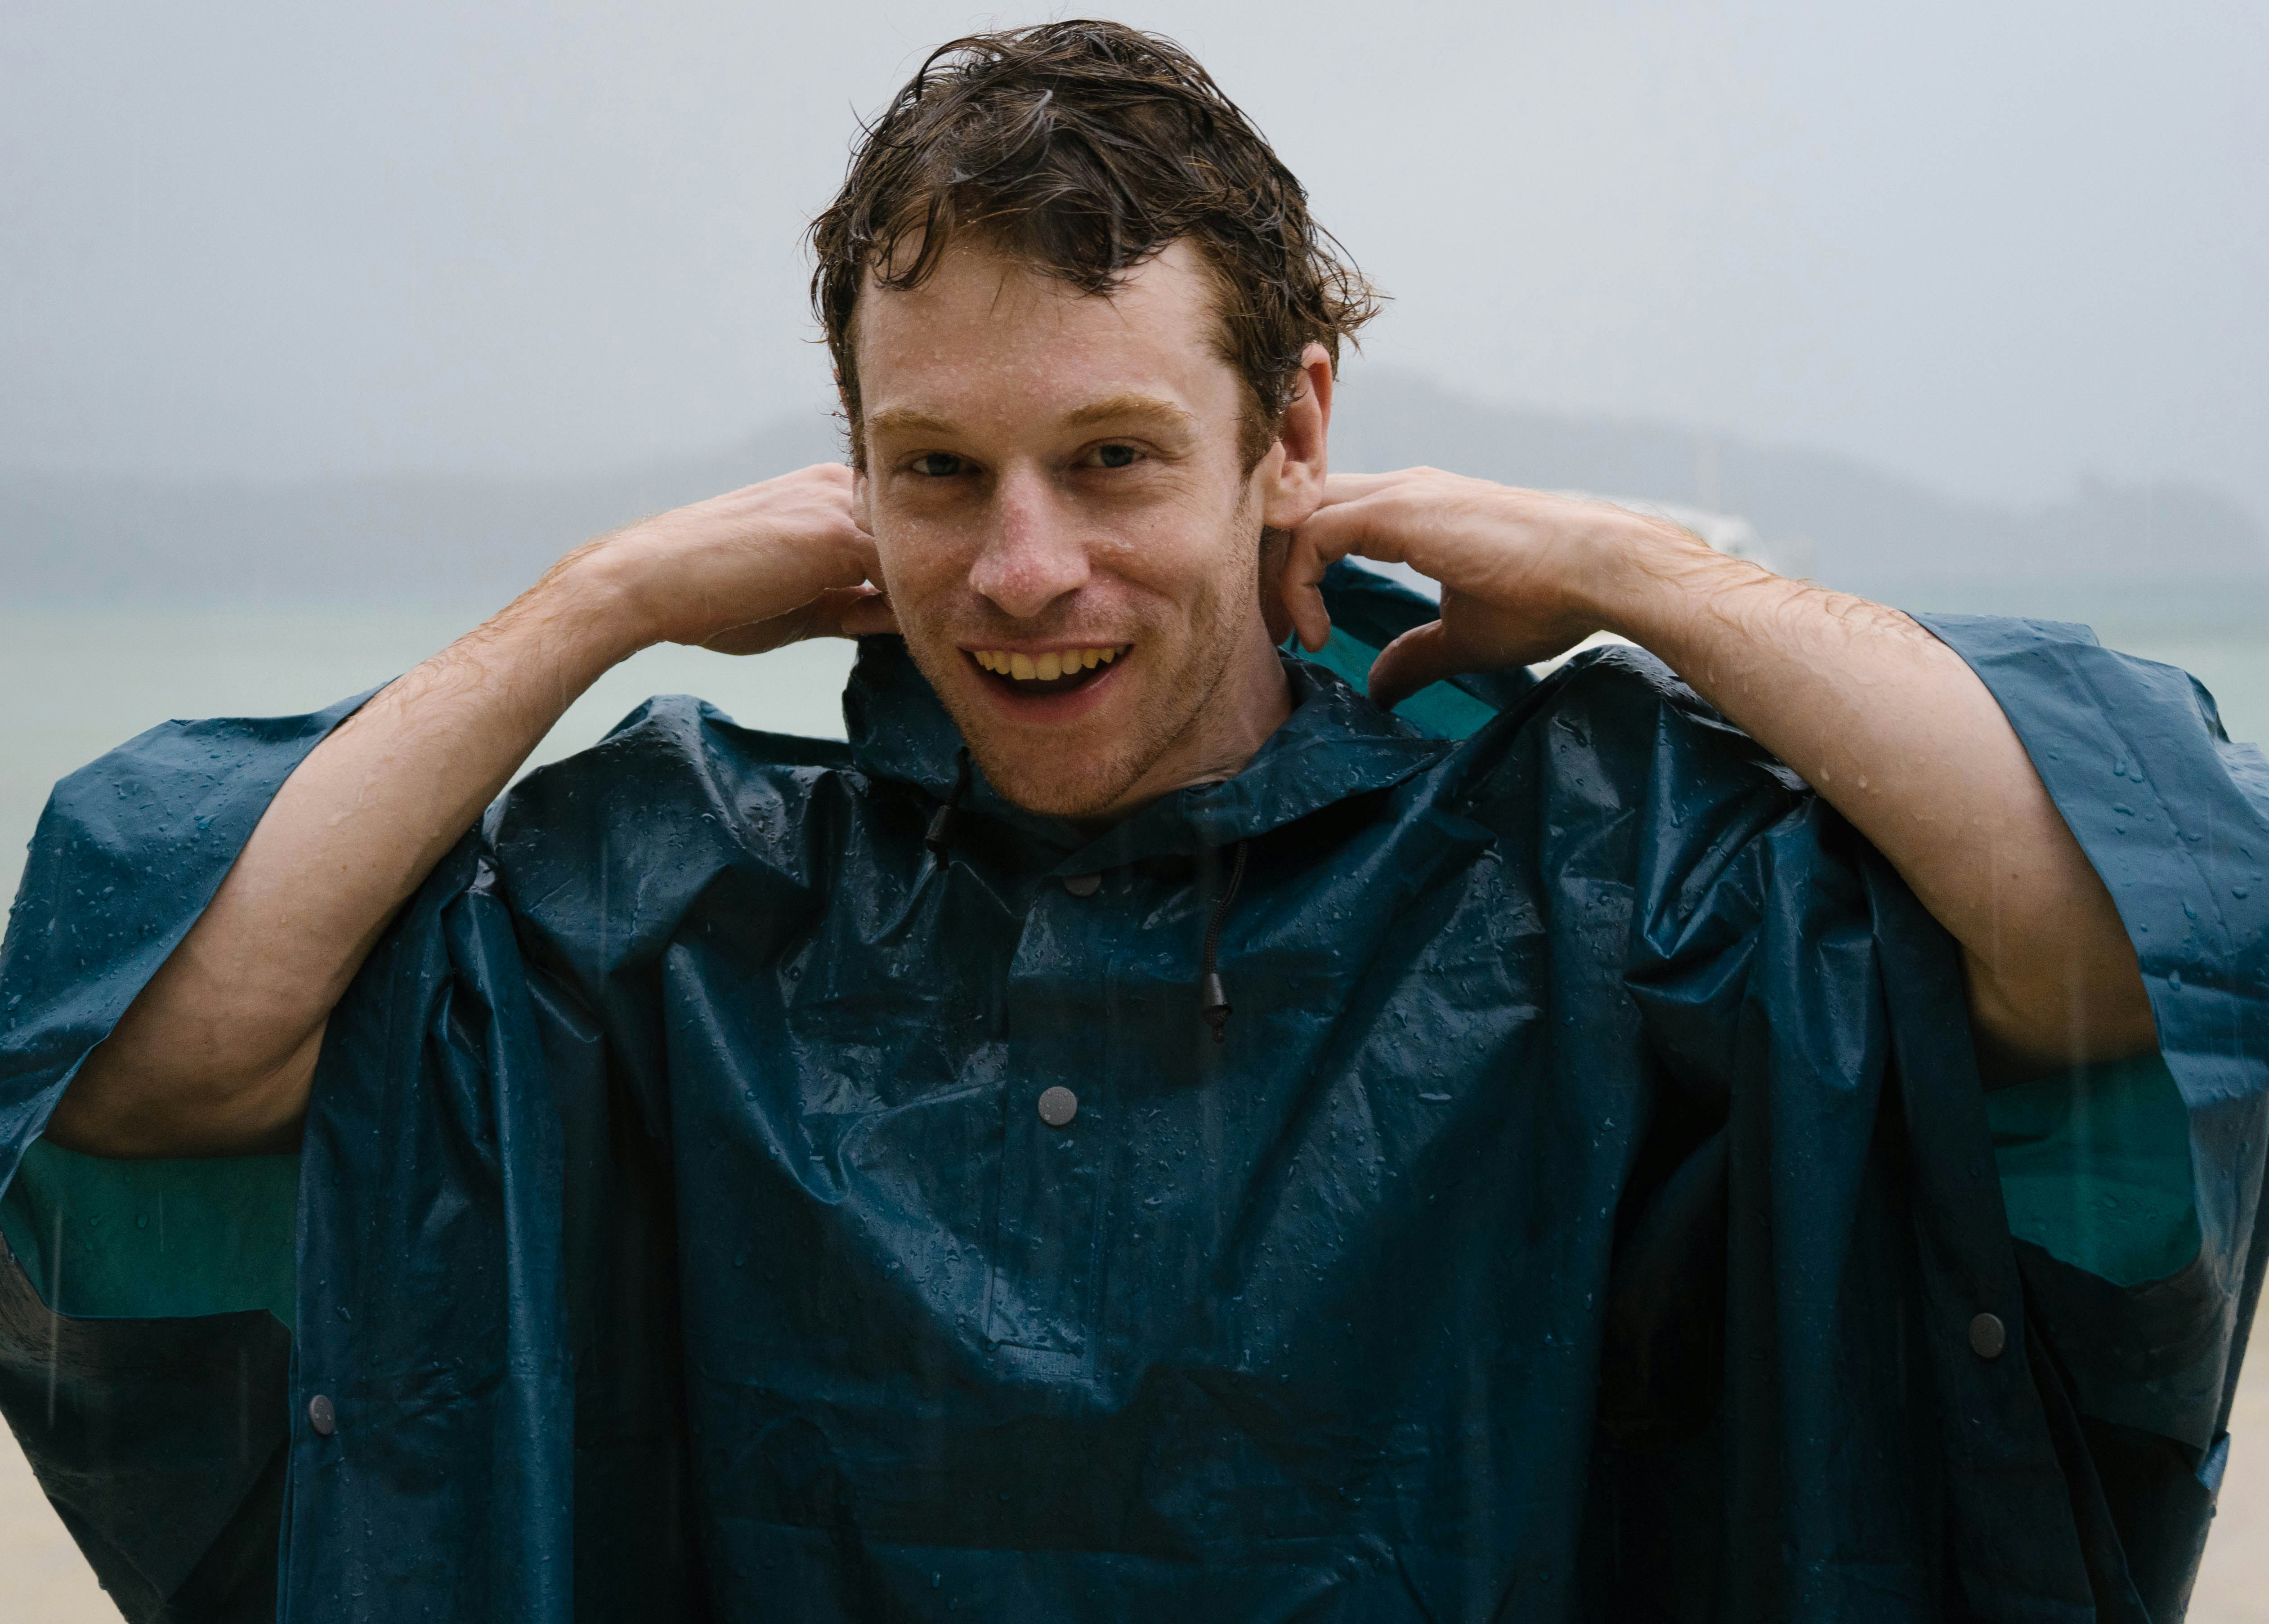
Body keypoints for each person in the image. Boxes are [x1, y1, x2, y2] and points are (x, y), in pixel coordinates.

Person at [1, 20, 2261, 1623]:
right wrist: (595, 610)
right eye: (934, 471)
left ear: (1290, 425)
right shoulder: (677, 902)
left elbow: (2128, 934)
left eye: (1108, 460)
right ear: (841, 466)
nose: (1019, 573)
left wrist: (1637, 576)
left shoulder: (1595, 874)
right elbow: (159, 1062)